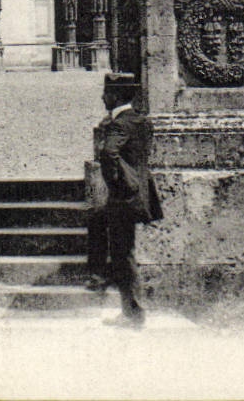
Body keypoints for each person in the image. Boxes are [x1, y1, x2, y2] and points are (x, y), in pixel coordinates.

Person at [87, 71, 162, 327]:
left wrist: (117, 183)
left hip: (125, 198)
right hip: (140, 195)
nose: (103, 97)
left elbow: (109, 154)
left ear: (115, 96)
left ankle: (134, 313)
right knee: (120, 247)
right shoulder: (141, 121)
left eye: (107, 93)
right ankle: (127, 308)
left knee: (123, 254)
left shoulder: (119, 124)